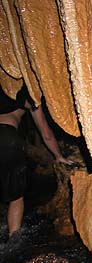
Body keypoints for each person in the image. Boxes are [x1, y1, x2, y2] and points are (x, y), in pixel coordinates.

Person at [0, 83, 72, 239]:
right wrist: (58, 156)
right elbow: (45, 132)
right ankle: (14, 239)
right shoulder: (25, 94)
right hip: (7, 138)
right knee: (16, 197)